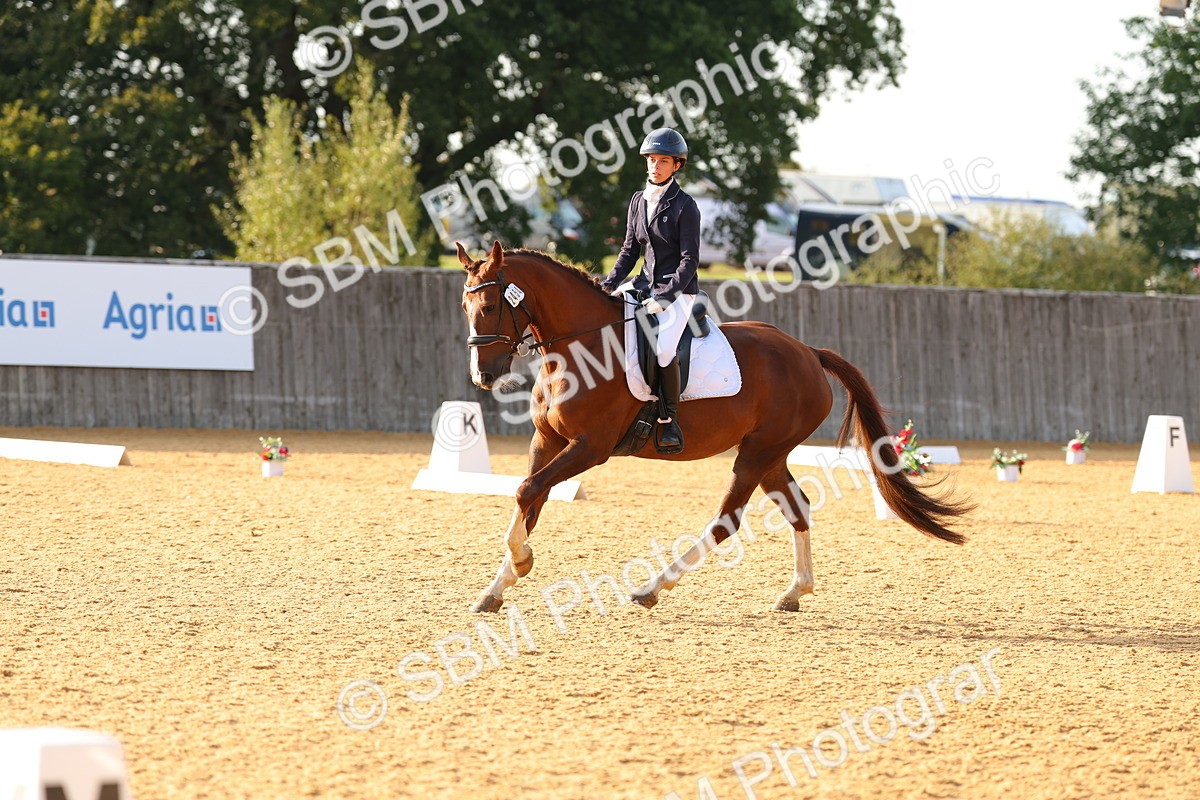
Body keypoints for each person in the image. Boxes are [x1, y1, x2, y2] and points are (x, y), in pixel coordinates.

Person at [600, 127, 700, 454]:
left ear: (677, 166)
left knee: (664, 350)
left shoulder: (686, 206)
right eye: (652, 160)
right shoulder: (637, 200)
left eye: (663, 161)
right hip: (642, 286)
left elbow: (689, 260)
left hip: (678, 292)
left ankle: (668, 420)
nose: (655, 166)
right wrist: (608, 285)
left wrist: (666, 296)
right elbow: (629, 251)